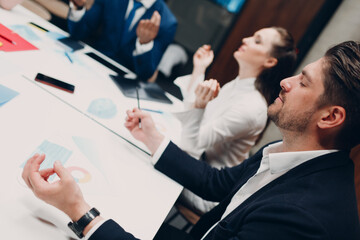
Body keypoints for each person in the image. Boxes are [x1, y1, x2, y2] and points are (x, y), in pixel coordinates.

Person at [22, 41, 360, 239]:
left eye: (303, 81)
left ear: (330, 117)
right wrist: (153, 139)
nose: (286, 82)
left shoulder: (299, 219)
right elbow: (217, 184)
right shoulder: (292, 151)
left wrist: (80, 213)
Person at [174, 27, 296, 213]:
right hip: (197, 165)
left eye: (257, 40)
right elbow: (192, 119)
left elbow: (191, 142)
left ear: (270, 61)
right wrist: (200, 67)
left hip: (208, 190)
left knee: (153, 156)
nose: (246, 39)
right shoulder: (239, 84)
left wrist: (199, 105)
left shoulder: (252, 107)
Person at [67, 0, 177, 81]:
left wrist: (144, 43)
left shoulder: (167, 22)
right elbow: (79, 33)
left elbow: (146, 74)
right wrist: (78, 6)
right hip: (90, 65)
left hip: (124, 82)